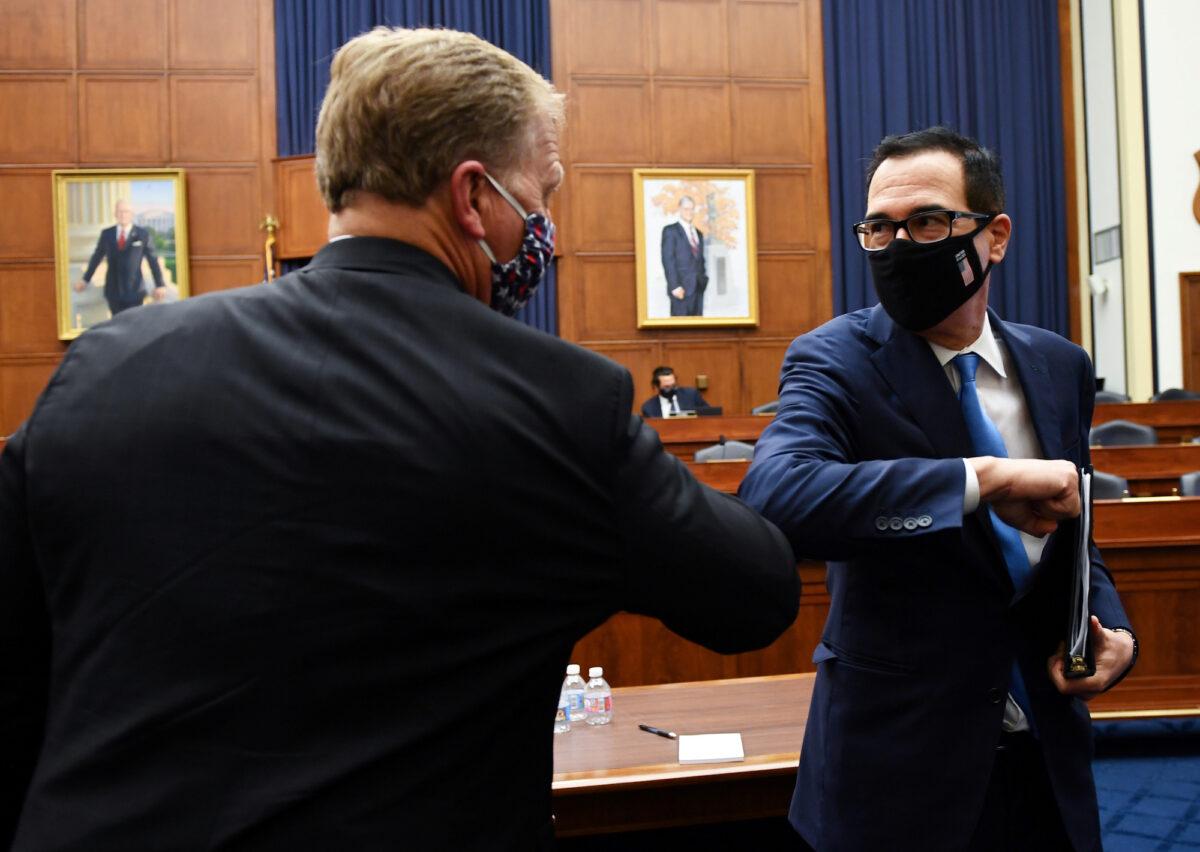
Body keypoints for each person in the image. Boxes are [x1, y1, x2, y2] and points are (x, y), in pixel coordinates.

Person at [0, 28, 800, 851]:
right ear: (472, 196)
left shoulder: (107, 367)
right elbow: (755, 594)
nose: (547, 228)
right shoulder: (554, 402)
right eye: (544, 192)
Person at [739, 127, 1136, 852]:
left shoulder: (1059, 365)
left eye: (926, 223)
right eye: (879, 228)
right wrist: (980, 480)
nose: (898, 247)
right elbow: (775, 494)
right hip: (899, 770)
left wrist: (1113, 631)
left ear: (996, 236)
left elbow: (1075, 529)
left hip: (1045, 754)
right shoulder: (835, 360)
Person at [74, 199, 167, 316]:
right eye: (120, 212)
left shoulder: (142, 234)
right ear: (115, 214)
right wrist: (85, 280)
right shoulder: (107, 234)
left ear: (132, 214)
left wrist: (160, 285)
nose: (123, 215)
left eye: (126, 212)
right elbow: (96, 258)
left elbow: (153, 260)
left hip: (135, 291)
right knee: (117, 327)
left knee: (133, 326)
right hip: (113, 292)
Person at [660, 195, 708, 316]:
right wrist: (674, 286)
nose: (689, 212)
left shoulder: (699, 234)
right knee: (679, 331)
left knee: (698, 329)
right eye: (686, 209)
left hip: (698, 289)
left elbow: (700, 260)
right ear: (680, 209)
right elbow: (668, 260)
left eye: (692, 209)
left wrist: (703, 279)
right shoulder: (670, 231)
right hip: (680, 291)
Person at [640, 365, 710, 418]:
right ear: (656, 387)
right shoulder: (649, 408)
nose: (671, 389)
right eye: (666, 387)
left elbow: (709, 414)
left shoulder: (691, 395)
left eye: (673, 385)